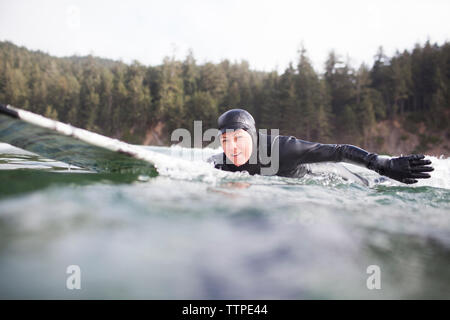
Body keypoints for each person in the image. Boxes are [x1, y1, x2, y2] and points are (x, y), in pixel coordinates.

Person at [207, 108, 434, 184]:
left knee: (370, 183)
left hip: (324, 175)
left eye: (238, 138)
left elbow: (339, 151)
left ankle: (381, 178)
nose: (232, 147)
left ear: (253, 136)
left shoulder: (282, 148)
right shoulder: (221, 163)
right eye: (225, 141)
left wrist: (384, 164)